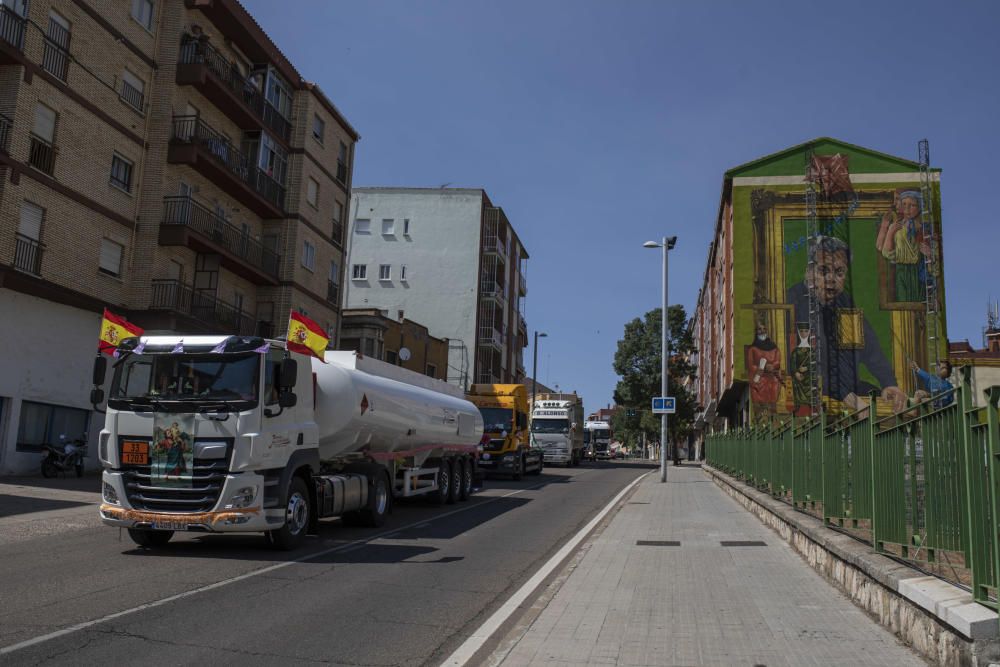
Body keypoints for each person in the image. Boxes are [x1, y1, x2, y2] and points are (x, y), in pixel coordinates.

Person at [787, 236, 907, 413]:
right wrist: (845, 394)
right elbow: (804, 365)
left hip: (849, 390)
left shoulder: (844, 302)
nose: (831, 279)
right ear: (809, 272)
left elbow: (871, 349)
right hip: (811, 395)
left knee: (896, 407)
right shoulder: (794, 301)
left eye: (839, 272)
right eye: (823, 270)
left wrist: (888, 382)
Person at [876, 191, 934, 303]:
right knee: (904, 301)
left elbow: (931, 254)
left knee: (918, 302)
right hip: (901, 272)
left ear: (920, 207)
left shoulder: (924, 229)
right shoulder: (897, 227)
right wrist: (890, 232)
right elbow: (886, 253)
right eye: (904, 204)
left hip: (917, 273)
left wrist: (929, 254)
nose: (907, 209)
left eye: (912, 205)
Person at [747, 322, 782, 417]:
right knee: (760, 410)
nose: (762, 331)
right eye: (760, 329)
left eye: (764, 329)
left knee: (772, 406)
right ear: (756, 332)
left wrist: (773, 366)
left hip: (772, 380)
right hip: (759, 381)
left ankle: (772, 418)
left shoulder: (774, 348)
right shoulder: (752, 349)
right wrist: (760, 368)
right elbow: (751, 365)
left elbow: (777, 361)